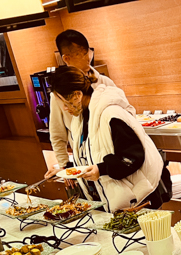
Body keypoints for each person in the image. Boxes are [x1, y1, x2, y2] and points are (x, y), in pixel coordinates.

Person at [49, 66, 171, 212]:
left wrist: (101, 169)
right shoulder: (81, 119)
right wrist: (65, 170)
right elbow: (92, 155)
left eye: (62, 101)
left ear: (77, 95)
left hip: (141, 199)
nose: (63, 108)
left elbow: (132, 157)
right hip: (117, 201)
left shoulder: (111, 114)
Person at [46, 30, 134, 177]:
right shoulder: (59, 94)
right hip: (85, 165)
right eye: (81, 54)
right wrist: (65, 166)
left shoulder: (104, 83)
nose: (88, 58)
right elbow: (57, 134)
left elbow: (128, 116)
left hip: (111, 161)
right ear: (66, 58)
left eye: (88, 52)